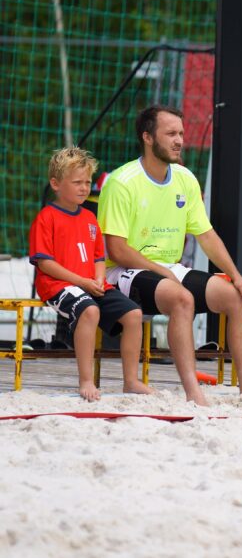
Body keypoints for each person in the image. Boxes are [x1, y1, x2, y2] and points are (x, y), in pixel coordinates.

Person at [98, 106, 242, 405]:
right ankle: (193, 392)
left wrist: (237, 275)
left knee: (237, 296)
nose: (179, 141)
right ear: (148, 138)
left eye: (181, 134)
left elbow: (207, 236)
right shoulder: (122, 181)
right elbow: (117, 250)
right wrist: (163, 272)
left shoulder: (186, 179)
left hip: (168, 269)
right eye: (171, 134)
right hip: (121, 271)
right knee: (182, 298)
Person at [29, 147, 153, 402]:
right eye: (76, 182)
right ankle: (86, 380)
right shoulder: (46, 217)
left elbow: (98, 257)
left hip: (91, 283)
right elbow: (45, 264)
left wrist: (97, 279)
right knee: (90, 311)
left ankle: (130, 381)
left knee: (134, 314)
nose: (84, 188)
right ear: (55, 183)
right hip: (58, 285)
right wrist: (82, 282)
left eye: (87, 182)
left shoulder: (89, 218)